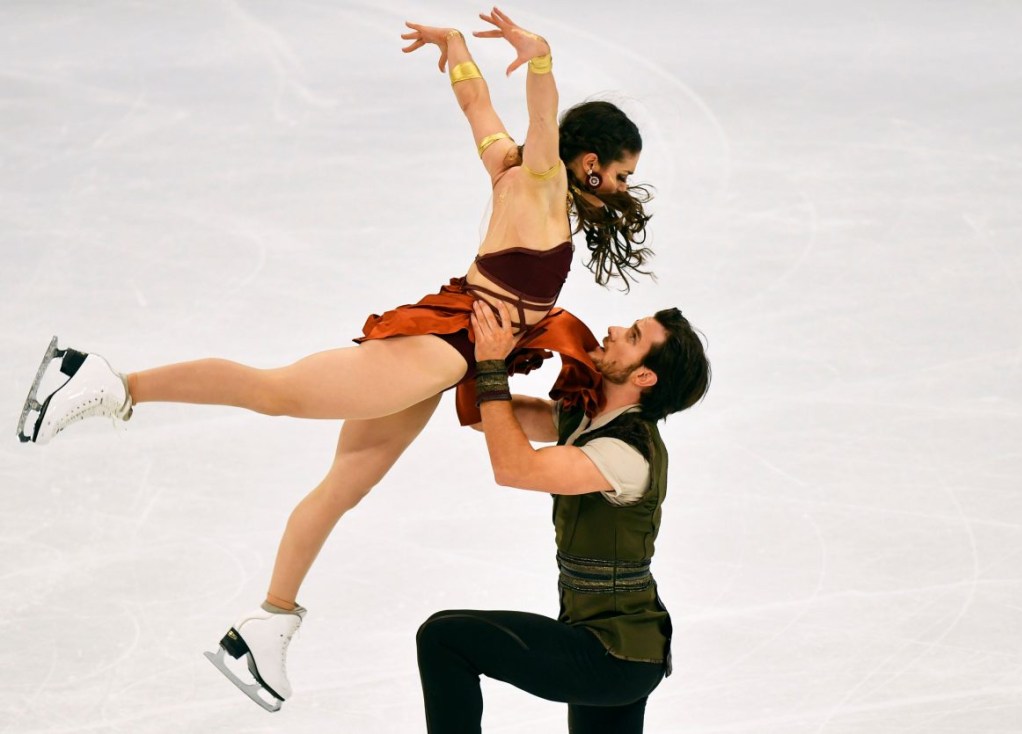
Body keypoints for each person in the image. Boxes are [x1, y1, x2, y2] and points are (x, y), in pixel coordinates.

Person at [16, 8, 653, 713]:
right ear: (590, 164)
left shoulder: (511, 168)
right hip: (443, 351)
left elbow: (478, 107)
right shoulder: (541, 183)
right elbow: (543, 124)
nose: (623, 189)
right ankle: (106, 381)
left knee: (346, 484)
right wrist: (540, 62)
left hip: (449, 348)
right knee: (276, 392)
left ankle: (266, 623)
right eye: (621, 175)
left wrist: (458, 51)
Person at [415, 300, 710, 734]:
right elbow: (491, 417)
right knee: (445, 635)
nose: (612, 328)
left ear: (644, 377)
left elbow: (516, 468)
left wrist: (493, 366)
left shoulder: (628, 452)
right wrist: (475, 358)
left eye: (631, 337)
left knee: (444, 638)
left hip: (613, 655)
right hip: (616, 647)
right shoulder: (589, 416)